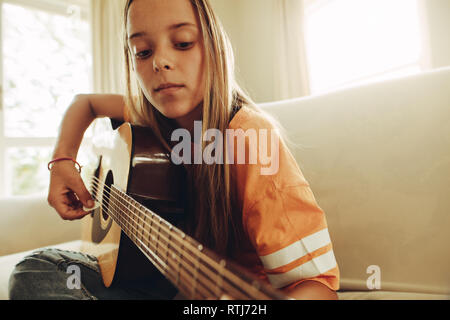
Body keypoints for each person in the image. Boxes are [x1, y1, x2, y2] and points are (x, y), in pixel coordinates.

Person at [9, 0, 339, 300]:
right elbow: (86, 103)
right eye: (142, 51)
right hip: (157, 278)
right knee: (38, 270)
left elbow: (318, 286)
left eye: (182, 43)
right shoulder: (151, 117)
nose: (161, 62)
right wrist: (63, 162)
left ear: (214, 47)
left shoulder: (249, 138)